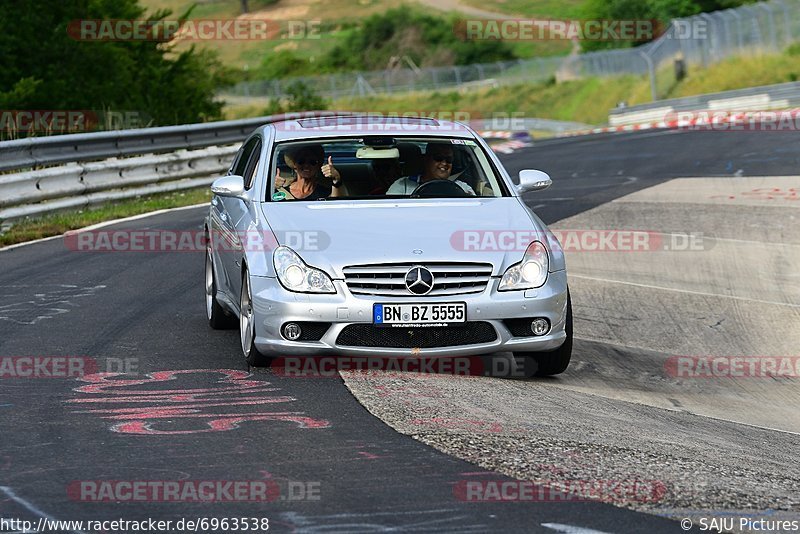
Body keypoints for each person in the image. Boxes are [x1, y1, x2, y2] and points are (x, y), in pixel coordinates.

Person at [386, 142, 475, 196]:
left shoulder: (462, 187)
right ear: (426, 160)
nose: (444, 163)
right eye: (438, 158)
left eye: (449, 159)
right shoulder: (403, 185)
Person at [274, 145, 344, 200]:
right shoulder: (281, 192)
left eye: (312, 162)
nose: (306, 165)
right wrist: (272, 187)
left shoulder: (324, 192)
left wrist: (336, 179)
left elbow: (334, 204)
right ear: (294, 165)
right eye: (301, 161)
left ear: (318, 166)